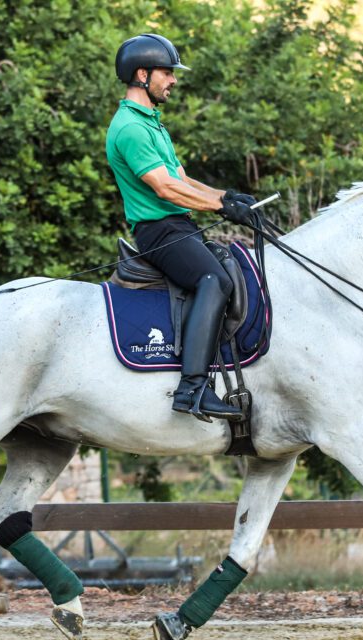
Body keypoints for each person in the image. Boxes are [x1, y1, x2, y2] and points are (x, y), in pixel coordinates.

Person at [106, 33, 260, 422]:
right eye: (167, 73)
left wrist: (229, 197)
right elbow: (165, 187)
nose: (173, 80)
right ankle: (192, 388)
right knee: (214, 280)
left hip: (177, 225)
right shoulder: (130, 128)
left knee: (229, 270)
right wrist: (220, 206)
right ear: (142, 74)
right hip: (159, 231)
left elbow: (183, 178)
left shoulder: (153, 123)